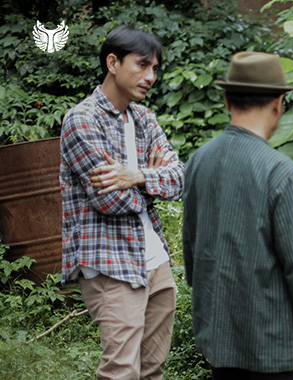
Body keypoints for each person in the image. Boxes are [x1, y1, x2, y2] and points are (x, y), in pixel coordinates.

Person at [182, 51, 293, 380]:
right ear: (279, 102)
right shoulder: (278, 171)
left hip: (219, 338)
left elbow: (194, 251)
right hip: (274, 345)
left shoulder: (198, 161)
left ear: (226, 100)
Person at [59, 25, 184, 380]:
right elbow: (110, 198)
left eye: (155, 68)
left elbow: (181, 178)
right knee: (122, 371)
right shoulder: (81, 121)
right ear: (113, 62)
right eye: (142, 65)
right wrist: (151, 177)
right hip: (110, 263)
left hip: (155, 258)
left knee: (153, 368)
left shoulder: (144, 118)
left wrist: (137, 176)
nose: (151, 77)